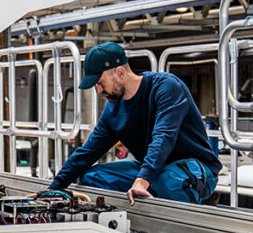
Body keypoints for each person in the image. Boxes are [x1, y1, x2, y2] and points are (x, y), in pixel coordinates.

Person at [48, 42, 222, 205]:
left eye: (100, 83)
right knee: (91, 177)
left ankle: (173, 230)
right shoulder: (113, 110)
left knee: (170, 182)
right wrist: (52, 189)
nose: (98, 90)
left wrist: (142, 180)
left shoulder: (167, 87)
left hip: (193, 169)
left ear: (120, 73)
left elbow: (163, 137)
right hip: (155, 170)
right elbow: (88, 152)